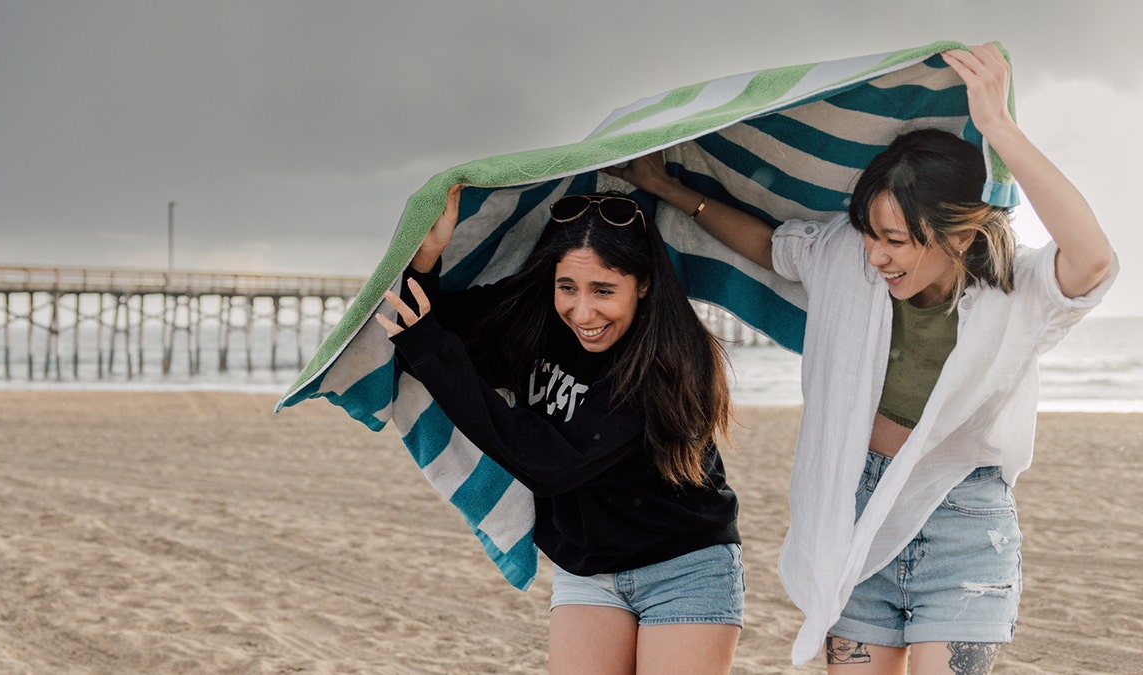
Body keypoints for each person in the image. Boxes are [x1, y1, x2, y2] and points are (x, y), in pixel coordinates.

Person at [606, 43, 1116, 673]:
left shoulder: (1018, 291)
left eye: (895, 240)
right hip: (852, 515)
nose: (875, 255)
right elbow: (769, 246)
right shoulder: (847, 260)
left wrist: (999, 130)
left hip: (964, 524)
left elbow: (1092, 259)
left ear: (959, 232)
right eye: (870, 235)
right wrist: (665, 187)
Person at [375, 188, 745, 673]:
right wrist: (426, 259)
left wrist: (430, 347)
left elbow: (550, 462)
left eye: (604, 290)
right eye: (567, 287)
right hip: (587, 569)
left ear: (645, 284)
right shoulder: (535, 314)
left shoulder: (672, 364)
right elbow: (419, 324)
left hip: (683, 568)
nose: (583, 313)